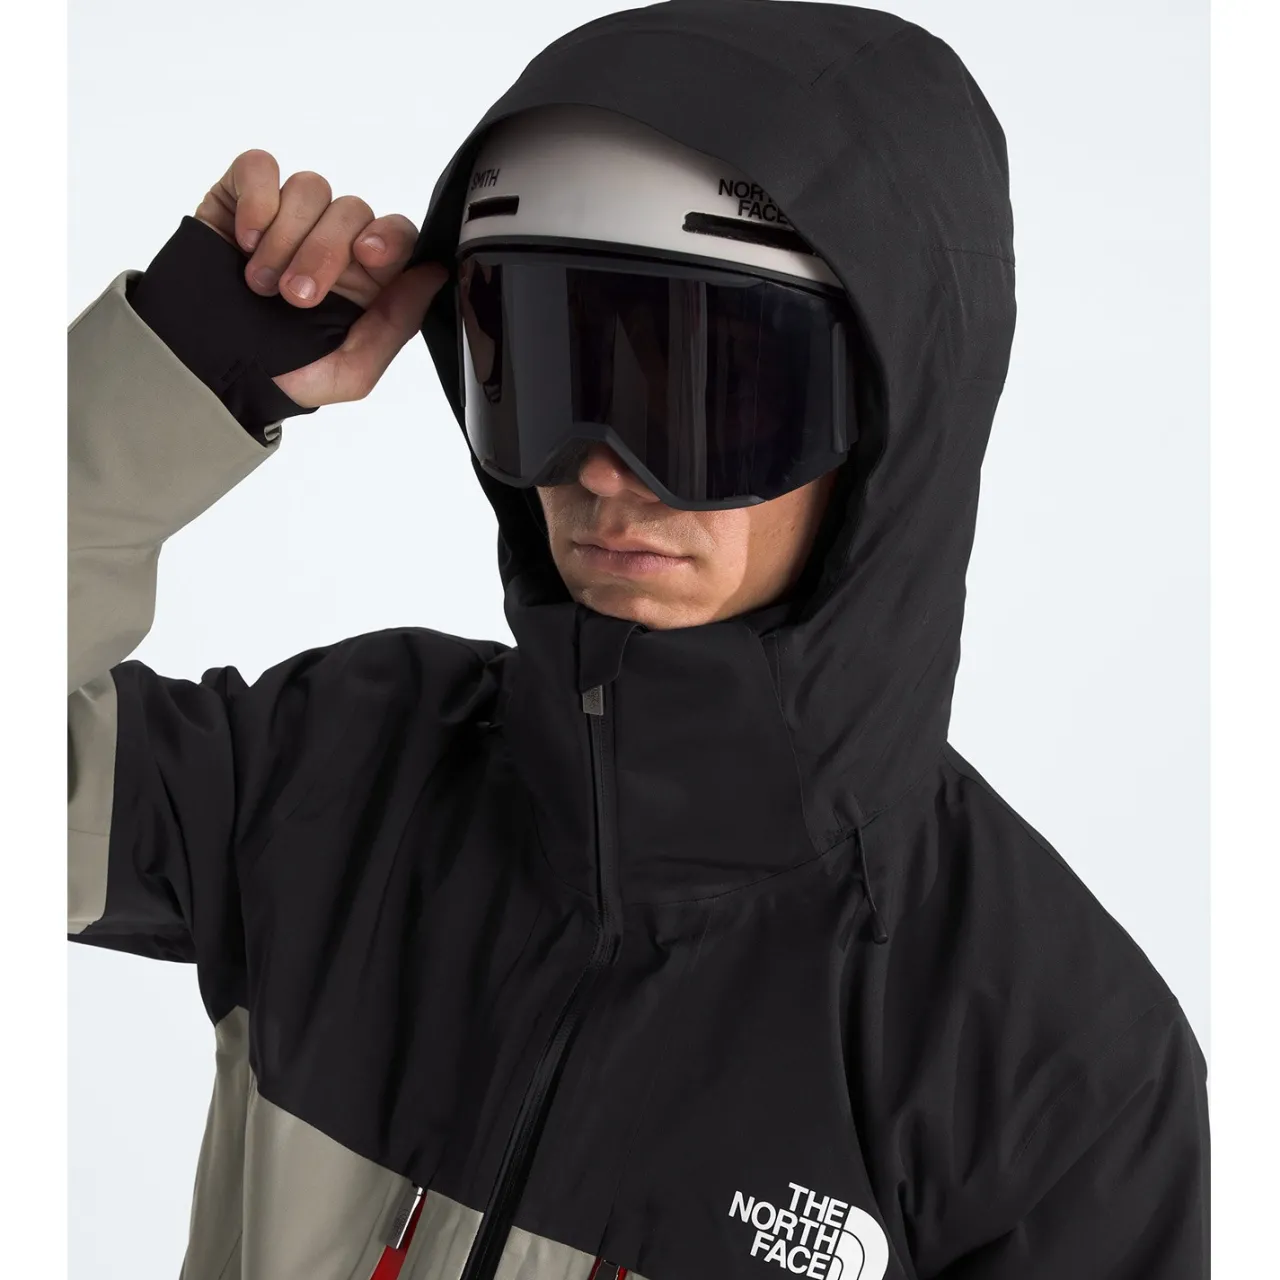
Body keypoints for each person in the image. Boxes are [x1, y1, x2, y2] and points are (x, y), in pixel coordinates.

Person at [67, 4, 1210, 1279]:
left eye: (710, 391)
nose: (605, 472)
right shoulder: (343, 767)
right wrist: (172, 374)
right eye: (548, 370)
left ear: (888, 422)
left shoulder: (1049, 1063)